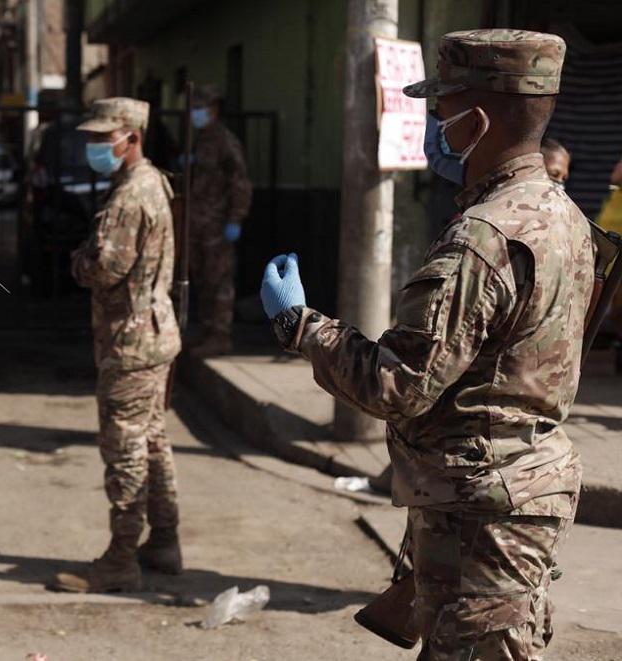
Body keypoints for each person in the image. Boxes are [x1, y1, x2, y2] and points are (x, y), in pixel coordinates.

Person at [261, 31, 587, 660]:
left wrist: (301, 326)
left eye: (442, 109)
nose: (434, 123)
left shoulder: (483, 237)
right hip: (512, 489)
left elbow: (397, 384)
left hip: (484, 507)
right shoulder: (561, 213)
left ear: (477, 121)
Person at [52, 98, 182, 593]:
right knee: (152, 441)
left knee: (125, 449)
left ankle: (121, 559)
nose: (93, 146)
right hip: (151, 333)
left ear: (131, 137)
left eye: (102, 137)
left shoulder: (132, 195)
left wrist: (77, 259)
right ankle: (164, 541)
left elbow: (104, 268)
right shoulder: (151, 183)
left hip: (130, 342)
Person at [188, 85, 252, 357]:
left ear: (213, 109)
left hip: (217, 223)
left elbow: (240, 182)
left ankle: (220, 335)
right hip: (199, 222)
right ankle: (207, 332)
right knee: (202, 278)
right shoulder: (202, 139)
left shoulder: (225, 141)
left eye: (200, 108)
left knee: (219, 279)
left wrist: (235, 218)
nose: (196, 113)